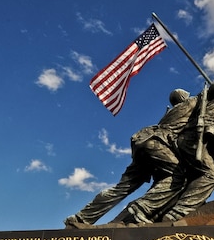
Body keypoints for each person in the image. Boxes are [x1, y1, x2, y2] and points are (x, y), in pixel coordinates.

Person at [63, 89, 195, 227]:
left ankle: (82, 217)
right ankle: (141, 209)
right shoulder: (190, 104)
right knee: (177, 176)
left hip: (143, 144)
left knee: (122, 188)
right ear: (184, 98)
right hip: (157, 145)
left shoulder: (170, 114)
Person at [162, 81, 214, 222]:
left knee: (203, 176)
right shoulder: (192, 104)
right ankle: (177, 212)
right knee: (211, 176)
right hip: (192, 140)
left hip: (177, 144)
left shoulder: (175, 112)